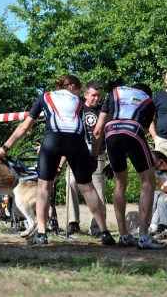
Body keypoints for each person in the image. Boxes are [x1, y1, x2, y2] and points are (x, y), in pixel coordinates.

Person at [0, 74, 115, 246]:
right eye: (80, 90)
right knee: (88, 188)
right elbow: (91, 132)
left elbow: (25, 126)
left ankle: (42, 234)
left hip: (51, 142)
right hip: (76, 142)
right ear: (73, 87)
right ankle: (105, 233)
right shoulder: (79, 102)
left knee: (44, 187)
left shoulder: (45, 97)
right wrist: (94, 156)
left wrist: (5, 147)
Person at [92, 83, 166, 249]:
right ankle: (144, 237)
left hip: (111, 132)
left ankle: (124, 235)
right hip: (133, 131)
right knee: (147, 183)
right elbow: (141, 133)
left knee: (120, 183)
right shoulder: (148, 101)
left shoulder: (114, 93)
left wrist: (93, 157)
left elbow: (98, 131)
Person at [66, 81, 107, 236]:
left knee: (98, 189)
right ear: (86, 95)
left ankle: (98, 227)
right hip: (76, 153)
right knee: (71, 183)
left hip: (98, 154)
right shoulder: (78, 109)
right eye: (93, 95)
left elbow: (106, 130)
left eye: (99, 95)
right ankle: (73, 222)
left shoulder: (104, 110)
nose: (97, 98)